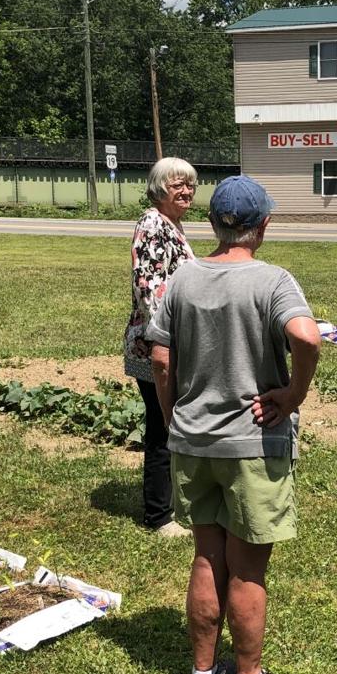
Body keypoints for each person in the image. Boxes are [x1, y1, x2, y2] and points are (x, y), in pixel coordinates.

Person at [148, 175, 321, 674]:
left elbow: (159, 359)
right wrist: (292, 395)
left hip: (192, 441)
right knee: (247, 566)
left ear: (213, 223)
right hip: (251, 443)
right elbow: (307, 336)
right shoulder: (273, 281)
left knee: (207, 556)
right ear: (262, 225)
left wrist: (172, 413)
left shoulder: (182, 278)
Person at [124, 157, 199, 538]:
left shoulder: (171, 224)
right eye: (177, 185)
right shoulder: (152, 223)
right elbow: (149, 288)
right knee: (161, 426)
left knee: (168, 422)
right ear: (158, 189)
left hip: (169, 342)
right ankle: (158, 516)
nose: (186, 191)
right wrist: (166, 340)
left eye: (190, 184)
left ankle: (171, 504)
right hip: (155, 345)